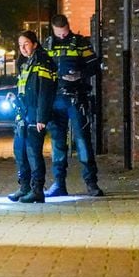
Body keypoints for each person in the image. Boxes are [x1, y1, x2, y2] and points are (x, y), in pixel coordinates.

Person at [43, 13, 103, 196]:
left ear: (68, 27)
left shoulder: (80, 42)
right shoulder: (47, 44)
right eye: (58, 33)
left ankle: (91, 183)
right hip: (55, 100)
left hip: (77, 98)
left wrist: (79, 75)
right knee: (57, 143)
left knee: (83, 141)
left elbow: (94, 65)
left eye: (64, 32)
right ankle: (59, 184)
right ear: (52, 29)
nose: (62, 36)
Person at [7, 30, 56, 204]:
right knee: (20, 151)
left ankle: (37, 190)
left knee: (33, 153)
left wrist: (41, 118)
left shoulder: (43, 62)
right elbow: (25, 89)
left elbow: (45, 92)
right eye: (20, 45)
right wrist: (15, 97)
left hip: (35, 115)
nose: (23, 48)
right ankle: (24, 187)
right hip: (23, 114)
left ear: (35, 43)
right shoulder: (25, 63)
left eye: (26, 44)